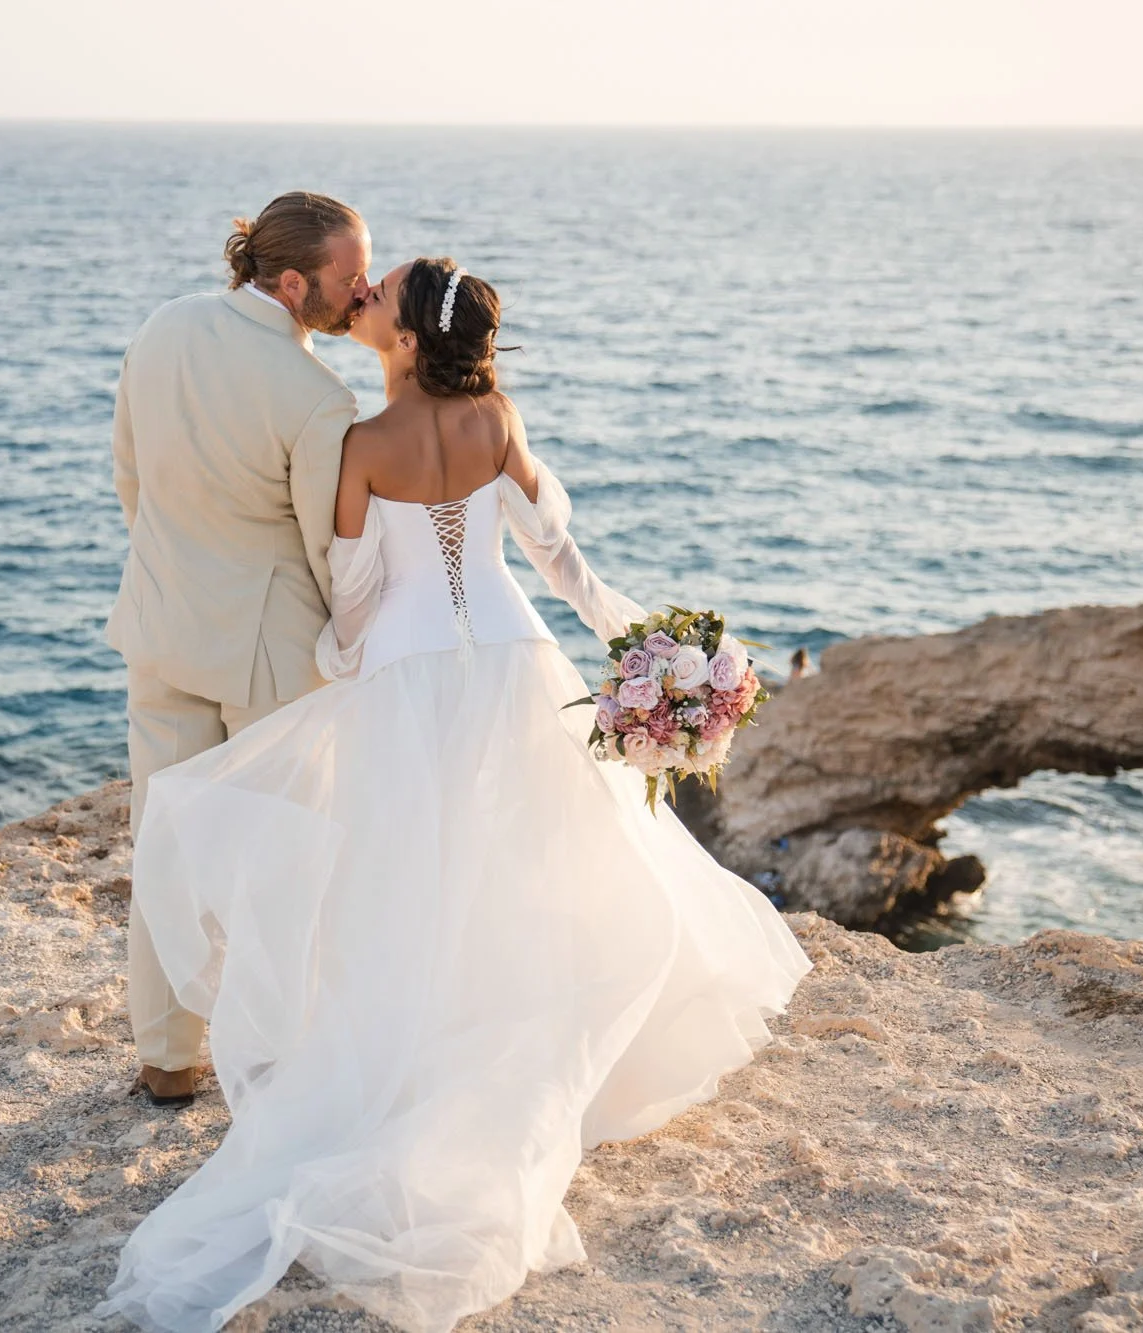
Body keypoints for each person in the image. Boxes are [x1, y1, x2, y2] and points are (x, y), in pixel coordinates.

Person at [97, 257, 812, 1332]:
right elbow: (554, 554)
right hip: (517, 664)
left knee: (406, 881)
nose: (362, 300)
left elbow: (353, 589)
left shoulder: (361, 443)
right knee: (531, 862)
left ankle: (417, 1068)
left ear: (399, 337)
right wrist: (636, 647)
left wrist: (334, 672)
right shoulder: (495, 418)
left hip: (406, 674)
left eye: (377, 296)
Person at [106, 191, 371, 1106]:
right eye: (349, 280)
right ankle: (273, 1059)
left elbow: (129, 476)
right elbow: (324, 552)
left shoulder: (163, 326)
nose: (363, 293)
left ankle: (166, 1058)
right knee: (281, 858)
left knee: (164, 844)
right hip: (271, 649)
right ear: (295, 284)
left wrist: (179, 564)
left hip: (162, 622)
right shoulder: (319, 397)